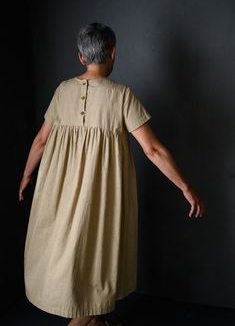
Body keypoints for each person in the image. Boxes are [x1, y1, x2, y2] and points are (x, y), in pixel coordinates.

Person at [19, 22, 205, 326]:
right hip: (100, 194)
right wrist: (185, 186)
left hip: (59, 192)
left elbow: (41, 140)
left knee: (70, 249)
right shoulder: (121, 96)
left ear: (80, 57)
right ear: (113, 53)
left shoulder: (62, 90)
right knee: (95, 250)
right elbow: (153, 150)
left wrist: (27, 176)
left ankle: (93, 320)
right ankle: (85, 321)